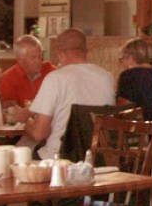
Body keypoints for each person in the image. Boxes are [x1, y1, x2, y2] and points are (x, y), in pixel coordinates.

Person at [25, 27, 115, 159]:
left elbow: (39, 133)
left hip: (60, 160)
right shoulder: (107, 78)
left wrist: (25, 122)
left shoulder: (55, 78)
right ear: (86, 51)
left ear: (60, 54)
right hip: (98, 159)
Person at [0, 34, 54, 121]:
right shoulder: (8, 79)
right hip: (23, 129)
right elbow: (12, 113)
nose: (38, 61)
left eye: (40, 56)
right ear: (20, 59)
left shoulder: (50, 70)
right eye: (33, 57)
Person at [116, 38, 152, 121]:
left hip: (144, 129)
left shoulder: (128, 75)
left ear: (131, 59)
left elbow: (124, 111)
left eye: (122, 59)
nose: (121, 63)